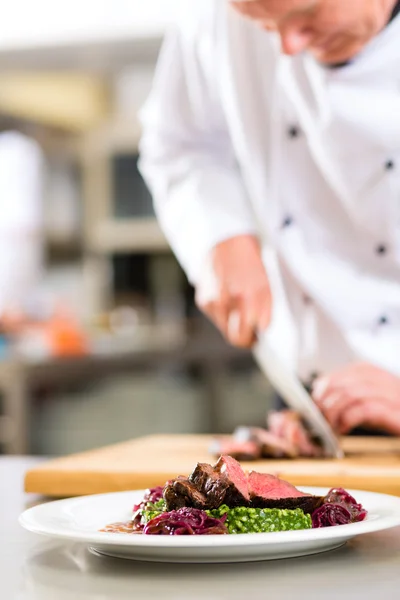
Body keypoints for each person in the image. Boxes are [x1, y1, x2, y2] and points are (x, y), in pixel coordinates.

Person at [138, 0, 400, 436]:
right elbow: (179, 144)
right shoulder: (213, 15)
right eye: (263, 25)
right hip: (314, 398)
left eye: (308, 15)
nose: (287, 47)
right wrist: (219, 235)